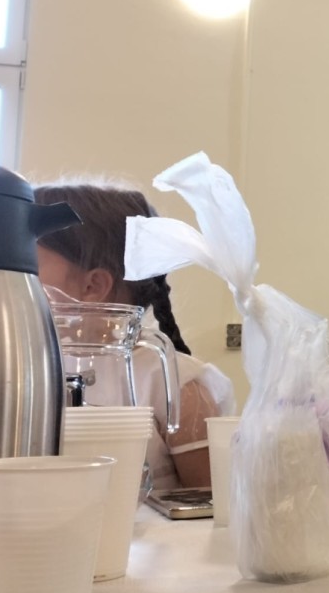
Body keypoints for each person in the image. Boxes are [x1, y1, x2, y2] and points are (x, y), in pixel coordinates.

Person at [33, 182, 235, 490]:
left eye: (27, 265)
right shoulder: (30, 368)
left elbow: (209, 499)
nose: (12, 278)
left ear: (93, 286)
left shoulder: (175, 385)